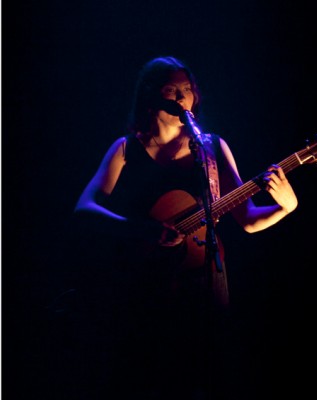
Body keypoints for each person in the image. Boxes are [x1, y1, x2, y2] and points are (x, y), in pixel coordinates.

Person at [72, 55, 298, 399]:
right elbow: (85, 209)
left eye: (187, 89)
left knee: (205, 375)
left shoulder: (211, 148)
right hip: (143, 282)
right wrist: (141, 230)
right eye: (170, 89)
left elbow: (248, 220)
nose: (180, 98)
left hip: (202, 280)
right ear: (150, 96)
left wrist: (287, 206)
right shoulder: (125, 149)